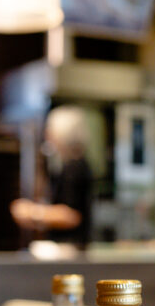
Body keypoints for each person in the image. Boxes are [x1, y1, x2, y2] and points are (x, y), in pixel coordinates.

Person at [11, 105, 94, 248]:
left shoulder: (75, 167)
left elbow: (72, 215)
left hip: (71, 247)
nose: (47, 135)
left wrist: (33, 213)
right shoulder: (65, 164)